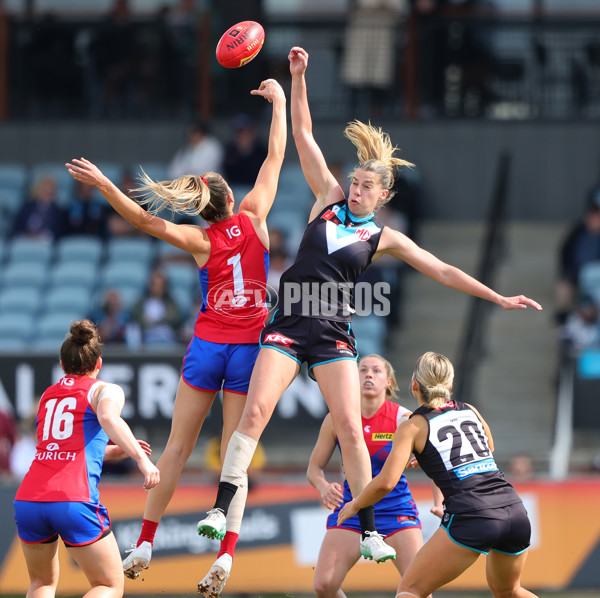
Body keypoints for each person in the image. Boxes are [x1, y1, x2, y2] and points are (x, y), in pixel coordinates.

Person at [196, 45, 541, 587]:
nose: (355, 189)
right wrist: (298, 79)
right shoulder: (327, 201)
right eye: (353, 181)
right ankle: (220, 507)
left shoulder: (384, 237)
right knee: (254, 415)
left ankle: (373, 529)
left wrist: (497, 297)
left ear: (383, 196)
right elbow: (305, 137)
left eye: (365, 186)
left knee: (353, 433)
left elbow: (445, 271)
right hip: (288, 324)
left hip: (332, 332)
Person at [65, 77, 286, 593]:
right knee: (237, 452)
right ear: (231, 195)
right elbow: (276, 153)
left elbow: (143, 219)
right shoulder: (256, 218)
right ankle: (226, 554)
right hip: (248, 349)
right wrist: (278, 101)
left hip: (207, 346)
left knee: (176, 449)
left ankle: (144, 541)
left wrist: (104, 185)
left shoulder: (200, 240)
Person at [337, 351, 538, 598]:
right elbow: (488, 447)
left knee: (410, 591)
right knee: (509, 590)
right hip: (514, 511)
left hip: (473, 514)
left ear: (414, 386)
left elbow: (386, 483)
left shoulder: (412, 426)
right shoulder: (470, 410)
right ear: (450, 385)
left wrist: (355, 504)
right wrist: (433, 456)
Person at [13, 320, 159, 598]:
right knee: (109, 585)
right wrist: (142, 459)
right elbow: (107, 417)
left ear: (62, 363)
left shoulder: (47, 396)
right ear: (98, 363)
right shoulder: (105, 389)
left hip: (29, 499)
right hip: (72, 499)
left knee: (41, 584)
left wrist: (113, 452)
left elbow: (59, 449)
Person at [308, 354, 433, 598]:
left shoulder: (404, 419)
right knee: (324, 586)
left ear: (388, 381)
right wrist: (322, 486)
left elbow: (435, 463)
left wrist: (440, 500)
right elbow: (313, 469)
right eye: (362, 369)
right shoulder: (337, 418)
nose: (368, 374)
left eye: (376, 371)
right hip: (353, 508)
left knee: (419, 589)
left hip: (396, 509)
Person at [557, 185, 600, 324]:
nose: (595, 216)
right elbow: (565, 252)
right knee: (566, 282)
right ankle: (565, 317)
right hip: (580, 273)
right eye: (593, 211)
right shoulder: (579, 231)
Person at [130, 268, 182, 345]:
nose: (157, 288)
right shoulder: (141, 303)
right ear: (150, 285)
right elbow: (137, 318)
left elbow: (174, 319)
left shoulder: (171, 303)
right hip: (145, 340)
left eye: (160, 286)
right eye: (155, 285)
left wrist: (154, 322)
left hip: (168, 340)